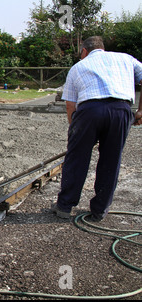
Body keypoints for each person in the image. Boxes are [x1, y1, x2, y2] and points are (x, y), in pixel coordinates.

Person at [51, 36, 142, 222]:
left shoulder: (78, 67)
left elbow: (70, 105)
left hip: (89, 111)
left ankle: (65, 206)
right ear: (102, 48)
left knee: (76, 158)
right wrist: (141, 110)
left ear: (84, 51)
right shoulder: (125, 59)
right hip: (121, 109)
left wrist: (74, 131)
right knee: (111, 160)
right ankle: (99, 210)